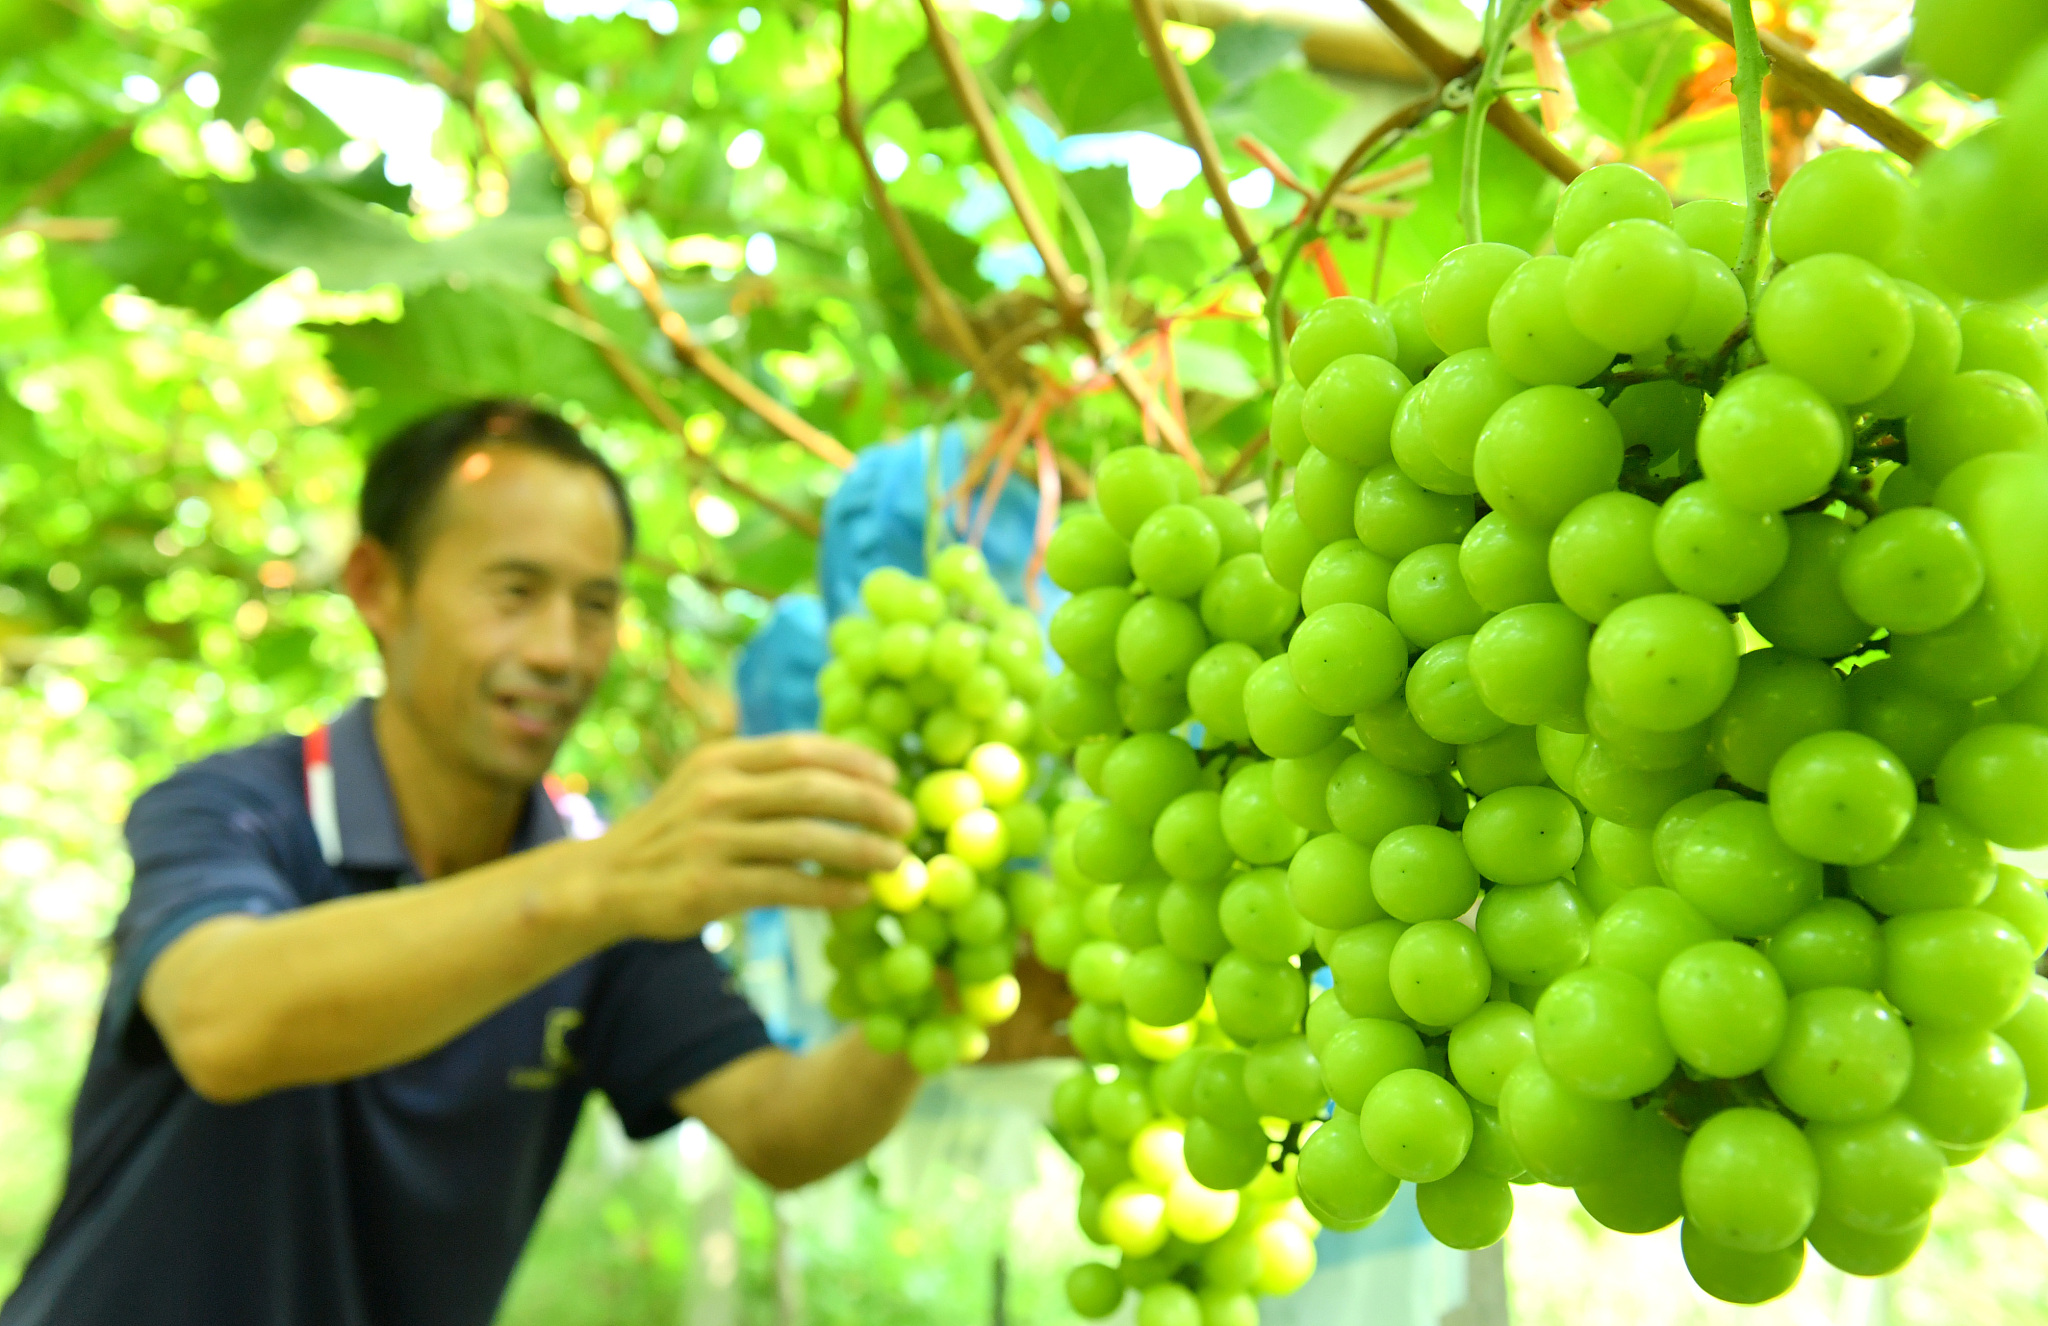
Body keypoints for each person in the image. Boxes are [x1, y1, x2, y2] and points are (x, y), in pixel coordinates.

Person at [0, 400, 1069, 1326]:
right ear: (378, 586)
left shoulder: (601, 891)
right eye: (514, 592)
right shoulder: (241, 809)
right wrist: (604, 884)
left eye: (596, 605)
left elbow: (781, 1127)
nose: (561, 650)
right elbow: (225, 1024)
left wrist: (941, 995)